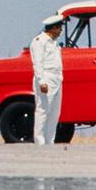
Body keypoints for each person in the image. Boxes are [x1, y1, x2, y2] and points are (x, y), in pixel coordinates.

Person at [30, 9, 67, 148]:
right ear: (53, 28)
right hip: (46, 77)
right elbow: (37, 63)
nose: (61, 31)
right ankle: (40, 141)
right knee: (43, 110)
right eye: (59, 28)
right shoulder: (40, 41)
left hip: (57, 78)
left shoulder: (54, 43)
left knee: (54, 112)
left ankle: (49, 140)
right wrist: (41, 81)